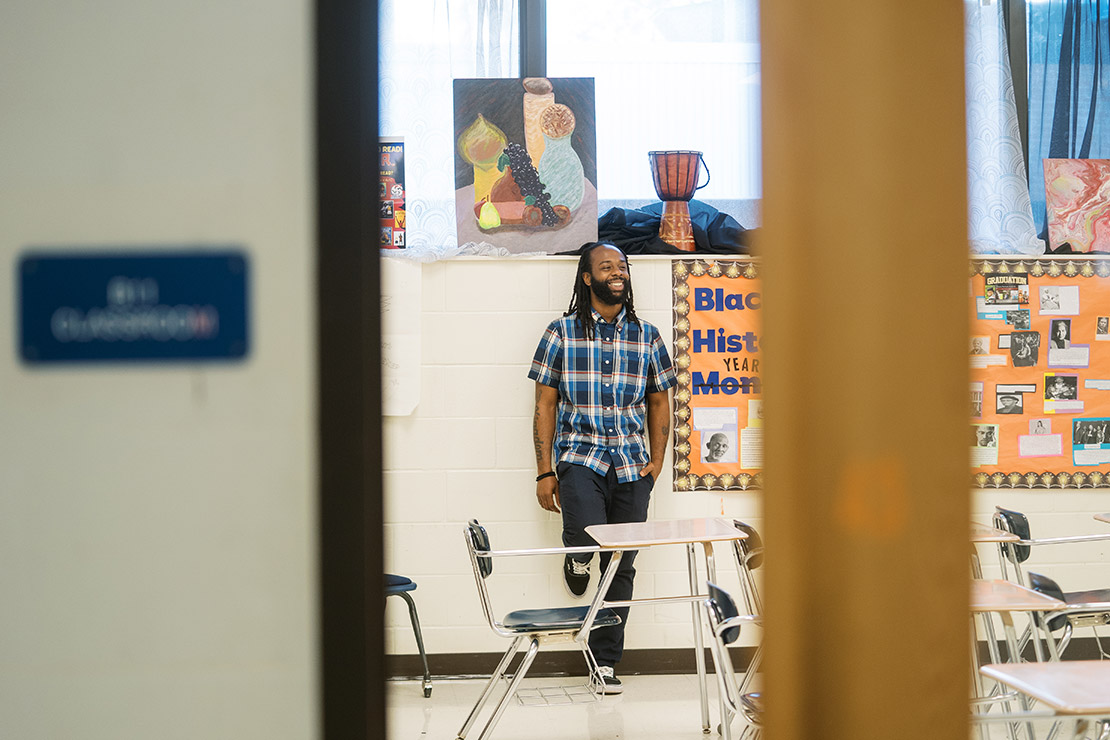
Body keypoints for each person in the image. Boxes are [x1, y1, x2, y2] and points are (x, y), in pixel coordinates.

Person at [529, 241, 676, 695]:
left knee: (621, 565)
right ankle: (576, 555)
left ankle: (605, 661)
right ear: (587, 277)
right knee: (584, 533)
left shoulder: (647, 336)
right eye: (607, 266)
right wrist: (544, 470)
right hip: (579, 457)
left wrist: (655, 464)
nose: (618, 272)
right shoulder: (561, 333)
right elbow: (545, 404)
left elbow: (659, 401)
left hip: (633, 466)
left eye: (623, 266)